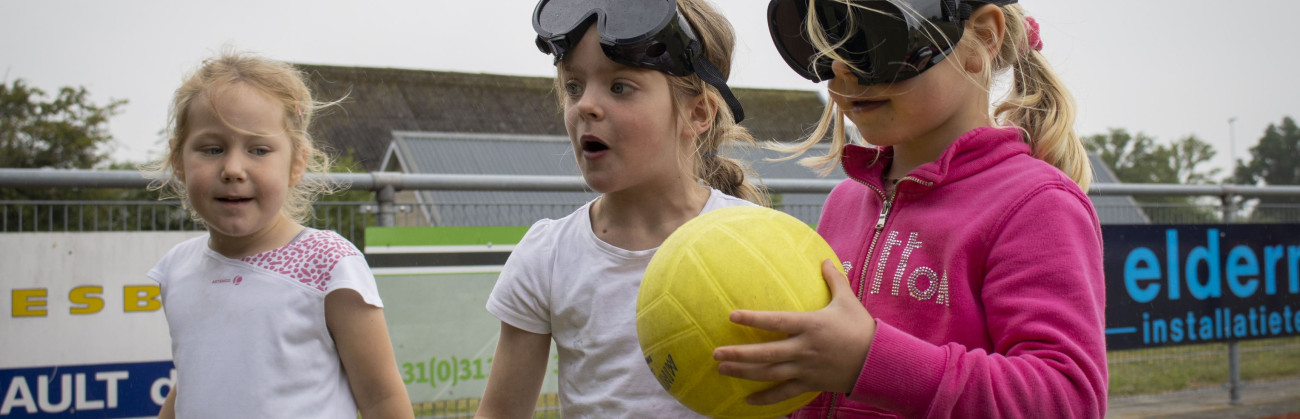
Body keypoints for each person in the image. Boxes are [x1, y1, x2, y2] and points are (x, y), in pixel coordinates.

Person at [713, 0, 1107, 417]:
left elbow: (1068, 400)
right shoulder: (844, 202)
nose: (844, 71)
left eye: (875, 39)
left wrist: (869, 361)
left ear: (984, 38)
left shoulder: (1037, 205)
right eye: (828, 47)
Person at [475, 0, 767, 416]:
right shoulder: (547, 255)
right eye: (574, 86)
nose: (584, 106)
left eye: (619, 87)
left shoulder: (756, 243)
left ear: (698, 112)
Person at [145, 50, 413, 419]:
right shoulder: (175, 269)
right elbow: (194, 381)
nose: (233, 169)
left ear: (297, 163)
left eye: (259, 150)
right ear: (178, 159)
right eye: (212, 149)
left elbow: (382, 399)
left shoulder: (328, 263)